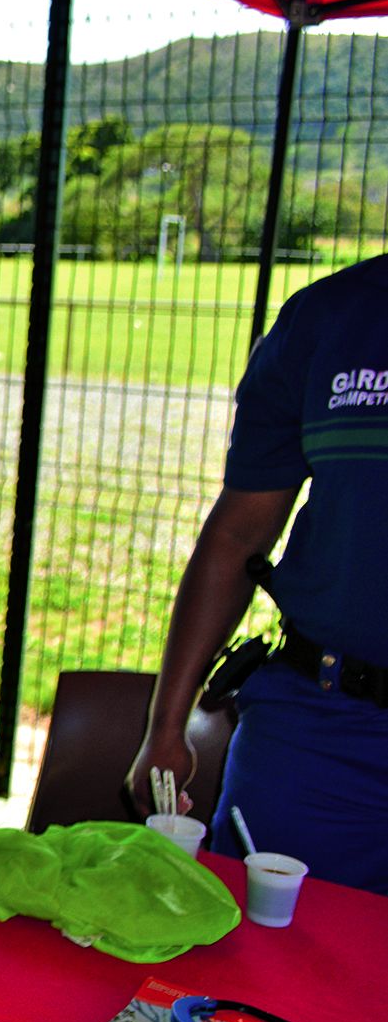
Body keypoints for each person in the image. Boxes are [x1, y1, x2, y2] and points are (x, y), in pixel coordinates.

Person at [127, 253, 388, 894]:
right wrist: (167, 727)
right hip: (321, 734)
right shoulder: (328, 318)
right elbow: (239, 531)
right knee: (258, 964)